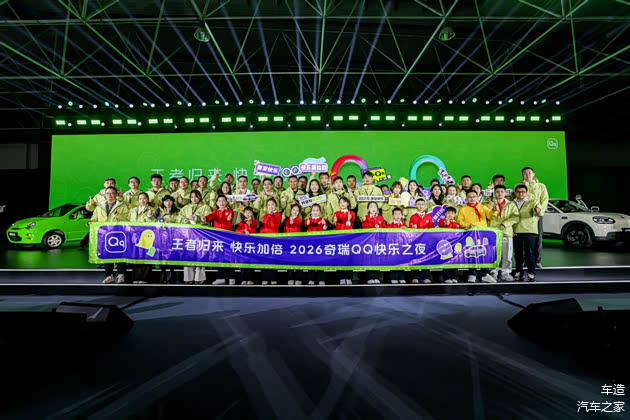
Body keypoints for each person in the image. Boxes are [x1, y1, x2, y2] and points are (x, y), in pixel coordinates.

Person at [456, 189, 498, 283]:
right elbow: (459, 221)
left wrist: (494, 210)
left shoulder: (482, 207)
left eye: (474, 197)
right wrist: (468, 225)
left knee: (484, 253)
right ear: (466, 198)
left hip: (483, 234)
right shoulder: (463, 209)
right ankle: (472, 274)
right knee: (472, 253)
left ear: (478, 197)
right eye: (469, 197)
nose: (472, 199)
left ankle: (485, 274)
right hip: (470, 235)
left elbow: (490, 216)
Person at [90, 186, 130, 284]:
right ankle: (109, 276)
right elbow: (94, 217)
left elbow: (128, 218)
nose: (109, 195)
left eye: (112, 193)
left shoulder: (122, 205)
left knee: (120, 254)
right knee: (107, 255)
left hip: (118, 233)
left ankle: (121, 275)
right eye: (107, 193)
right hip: (104, 234)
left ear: (116, 195)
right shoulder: (100, 206)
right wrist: (91, 222)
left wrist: (120, 217)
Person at [487, 185, 519, 282]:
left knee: (507, 255)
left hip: (506, 232)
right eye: (497, 192)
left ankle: (506, 273)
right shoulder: (489, 204)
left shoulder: (511, 204)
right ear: (494, 193)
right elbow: (487, 216)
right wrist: (492, 209)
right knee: (493, 254)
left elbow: (515, 217)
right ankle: (493, 272)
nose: (499, 193)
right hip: (493, 233)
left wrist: (504, 224)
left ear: (505, 193)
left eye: (502, 191)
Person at [180, 190, 212, 284]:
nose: (194, 199)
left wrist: (197, 219)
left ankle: (199, 278)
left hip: (200, 234)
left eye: (196, 196)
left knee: (200, 255)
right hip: (188, 235)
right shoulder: (186, 207)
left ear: (200, 197)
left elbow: (208, 219)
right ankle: (188, 278)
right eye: (192, 197)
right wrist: (184, 220)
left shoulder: (205, 207)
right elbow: (179, 217)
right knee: (188, 255)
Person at [513, 184, 543, 282]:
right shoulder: (512, 203)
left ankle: (531, 273)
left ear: (526, 193)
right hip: (516, 231)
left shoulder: (533, 201)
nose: (520, 194)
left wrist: (538, 211)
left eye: (523, 192)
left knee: (530, 252)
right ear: (515, 193)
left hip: (530, 231)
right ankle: (519, 271)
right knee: (518, 253)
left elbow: (537, 211)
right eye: (518, 192)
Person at [520, 167, 549, 268]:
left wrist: (539, 214)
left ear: (533, 174)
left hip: (537, 216)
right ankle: (524, 260)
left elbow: (544, 200)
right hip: (524, 216)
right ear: (522, 175)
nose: (527, 174)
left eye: (529, 172)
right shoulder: (519, 186)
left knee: (538, 238)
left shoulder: (541, 186)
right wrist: (525, 187)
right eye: (525, 173)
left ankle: (537, 260)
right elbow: (520, 199)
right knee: (523, 238)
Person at [205, 195, 235, 285]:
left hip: (228, 238)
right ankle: (221, 278)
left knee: (229, 258)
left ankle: (231, 277)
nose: (221, 203)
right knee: (220, 258)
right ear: (217, 203)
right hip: (218, 238)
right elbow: (210, 216)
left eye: (223, 201)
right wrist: (205, 218)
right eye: (219, 201)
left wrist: (229, 217)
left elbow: (230, 216)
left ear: (226, 202)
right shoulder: (215, 212)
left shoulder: (229, 211)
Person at [129, 192, 155, 284]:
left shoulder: (152, 210)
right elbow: (128, 221)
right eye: (140, 199)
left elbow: (154, 223)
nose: (142, 200)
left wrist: (150, 216)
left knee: (147, 257)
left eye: (144, 198)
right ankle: (136, 277)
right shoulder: (132, 210)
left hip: (146, 237)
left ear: (147, 200)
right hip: (135, 237)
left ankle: (145, 278)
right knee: (136, 257)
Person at [157, 195, 182, 284]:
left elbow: (181, 221)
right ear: (163, 202)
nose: (168, 203)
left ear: (173, 202)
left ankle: (172, 276)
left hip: (173, 236)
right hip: (162, 237)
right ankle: (162, 276)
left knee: (172, 256)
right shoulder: (158, 211)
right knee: (162, 256)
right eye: (166, 201)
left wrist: (173, 223)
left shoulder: (177, 211)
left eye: (170, 201)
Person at [362, 201, 386, 285]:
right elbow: (364, 228)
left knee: (377, 259)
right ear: (368, 209)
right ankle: (369, 277)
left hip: (378, 242)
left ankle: (376, 276)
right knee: (369, 260)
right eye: (371, 206)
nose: (373, 208)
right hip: (368, 242)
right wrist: (365, 221)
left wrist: (380, 227)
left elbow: (384, 228)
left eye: (375, 206)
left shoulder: (380, 218)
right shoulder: (365, 217)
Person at [304, 203, 327, 285]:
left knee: (321, 261)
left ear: (320, 212)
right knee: (311, 261)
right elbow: (306, 224)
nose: (315, 212)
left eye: (317, 210)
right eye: (313, 210)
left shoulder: (323, 220)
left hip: (320, 244)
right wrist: (308, 223)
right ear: (311, 212)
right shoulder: (308, 220)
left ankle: (321, 279)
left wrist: (324, 224)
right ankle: (311, 279)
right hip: (311, 244)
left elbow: (325, 229)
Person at [235, 206, 257, 285]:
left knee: (250, 262)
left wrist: (249, 229)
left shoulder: (254, 221)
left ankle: (251, 279)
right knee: (243, 262)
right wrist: (244, 231)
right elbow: (237, 231)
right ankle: (243, 279)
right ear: (244, 214)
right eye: (246, 212)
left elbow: (254, 229)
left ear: (252, 214)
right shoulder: (241, 222)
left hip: (251, 244)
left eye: (249, 212)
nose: (247, 214)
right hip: (243, 245)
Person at [283, 204, 304, 285]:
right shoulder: (286, 220)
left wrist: (293, 223)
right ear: (291, 211)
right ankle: (290, 277)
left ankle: (298, 278)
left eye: (297, 210)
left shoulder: (299, 220)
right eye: (293, 210)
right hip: (288, 243)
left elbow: (298, 225)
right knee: (289, 261)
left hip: (297, 243)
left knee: (298, 260)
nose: (295, 212)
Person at [437, 207, 460, 284]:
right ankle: (446, 277)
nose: (450, 215)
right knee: (447, 261)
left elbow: (457, 230)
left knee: (455, 260)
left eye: (452, 213)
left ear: (455, 215)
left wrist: (450, 223)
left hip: (454, 244)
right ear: (445, 214)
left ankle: (455, 277)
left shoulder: (457, 223)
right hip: (445, 244)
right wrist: (447, 223)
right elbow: (442, 224)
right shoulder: (442, 220)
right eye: (448, 213)